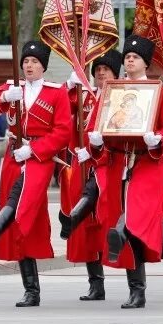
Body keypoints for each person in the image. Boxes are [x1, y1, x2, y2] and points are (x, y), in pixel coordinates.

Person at [0, 41, 71, 307]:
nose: (29, 65)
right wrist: (3, 97)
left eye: (34, 62)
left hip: (39, 157)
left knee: (23, 206)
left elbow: (63, 131)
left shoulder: (55, 93)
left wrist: (35, 150)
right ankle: (31, 290)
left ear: (43, 66)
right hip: (14, 155)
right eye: (26, 61)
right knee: (21, 220)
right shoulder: (12, 88)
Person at [89, 35, 163, 309]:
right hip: (118, 161)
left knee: (134, 216)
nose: (130, 60)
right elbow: (98, 123)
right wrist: (95, 139)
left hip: (146, 162)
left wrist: (160, 139)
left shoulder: (159, 91)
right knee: (128, 222)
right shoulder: (111, 90)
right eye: (127, 57)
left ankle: (128, 238)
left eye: (135, 57)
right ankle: (138, 287)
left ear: (145, 63)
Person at [59, 49, 122, 302]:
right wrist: (70, 85)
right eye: (97, 71)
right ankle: (96, 284)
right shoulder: (85, 96)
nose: (100, 74)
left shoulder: (121, 97)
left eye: (106, 70)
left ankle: (132, 279)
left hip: (108, 164)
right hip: (82, 163)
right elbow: (61, 109)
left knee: (106, 221)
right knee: (86, 230)